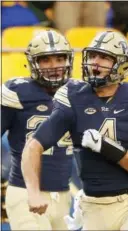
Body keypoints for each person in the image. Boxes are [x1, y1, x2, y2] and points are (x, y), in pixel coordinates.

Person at [21, 31, 128, 230]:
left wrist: (106, 147)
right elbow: (33, 146)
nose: (95, 62)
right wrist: (33, 191)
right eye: (92, 56)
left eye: (104, 57)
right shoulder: (73, 97)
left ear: (121, 63)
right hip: (93, 204)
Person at [1, 29, 74, 230]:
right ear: (33, 63)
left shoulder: (78, 93)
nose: (54, 66)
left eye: (60, 59)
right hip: (24, 193)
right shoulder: (18, 92)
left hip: (63, 195)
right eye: (46, 60)